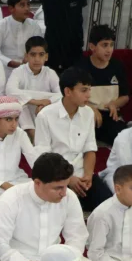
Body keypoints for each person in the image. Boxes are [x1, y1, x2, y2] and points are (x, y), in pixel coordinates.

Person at [34, 67, 111, 211]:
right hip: (55, 177)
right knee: (57, 210)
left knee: (109, 206)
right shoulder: (45, 116)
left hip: (81, 176)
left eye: (89, 90)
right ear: (68, 91)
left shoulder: (88, 113)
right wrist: (68, 179)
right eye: (83, 90)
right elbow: (44, 157)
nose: (89, 95)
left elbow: (90, 149)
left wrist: (88, 175)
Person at [75, 25, 130, 146]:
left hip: (110, 115)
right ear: (92, 47)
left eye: (111, 45)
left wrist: (114, 104)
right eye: (104, 45)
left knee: (124, 139)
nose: (109, 50)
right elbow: (73, 96)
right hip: (86, 114)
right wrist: (89, 108)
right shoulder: (81, 67)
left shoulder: (117, 66)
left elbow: (125, 96)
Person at [5, 36, 60, 136]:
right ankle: (31, 133)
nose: (37, 59)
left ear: (46, 57)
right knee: (18, 104)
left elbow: (61, 94)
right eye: (33, 55)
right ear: (26, 56)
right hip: (22, 119)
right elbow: (10, 91)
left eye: (41, 55)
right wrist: (36, 101)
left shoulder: (50, 73)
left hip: (43, 111)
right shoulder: (18, 71)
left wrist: (46, 103)